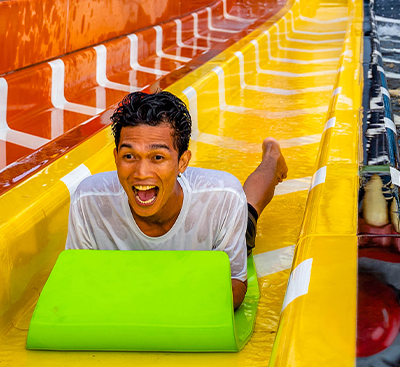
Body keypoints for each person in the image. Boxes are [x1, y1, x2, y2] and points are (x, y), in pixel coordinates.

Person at [64, 91, 287, 309]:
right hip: (183, 283)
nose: (141, 172)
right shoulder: (90, 200)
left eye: (157, 157)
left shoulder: (220, 199)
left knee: (249, 208)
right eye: (129, 156)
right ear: (116, 158)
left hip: (208, 237)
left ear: (182, 162)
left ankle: (272, 158)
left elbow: (233, 291)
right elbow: (77, 285)